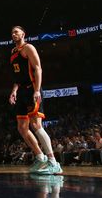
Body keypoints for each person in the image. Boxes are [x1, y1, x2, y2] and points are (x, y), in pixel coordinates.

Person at [8, 26, 62, 175]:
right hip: (21, 91)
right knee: (22, 128)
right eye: (12, 32)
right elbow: (17, 77)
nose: (14, 34)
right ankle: (40, 156)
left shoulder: (28, 48)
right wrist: (14, 91)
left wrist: (37, 90)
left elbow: (38, 68)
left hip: (32, 89)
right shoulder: (13, 53)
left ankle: (53, 162)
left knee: (35, 124)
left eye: (16, 32)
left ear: (23, 34)